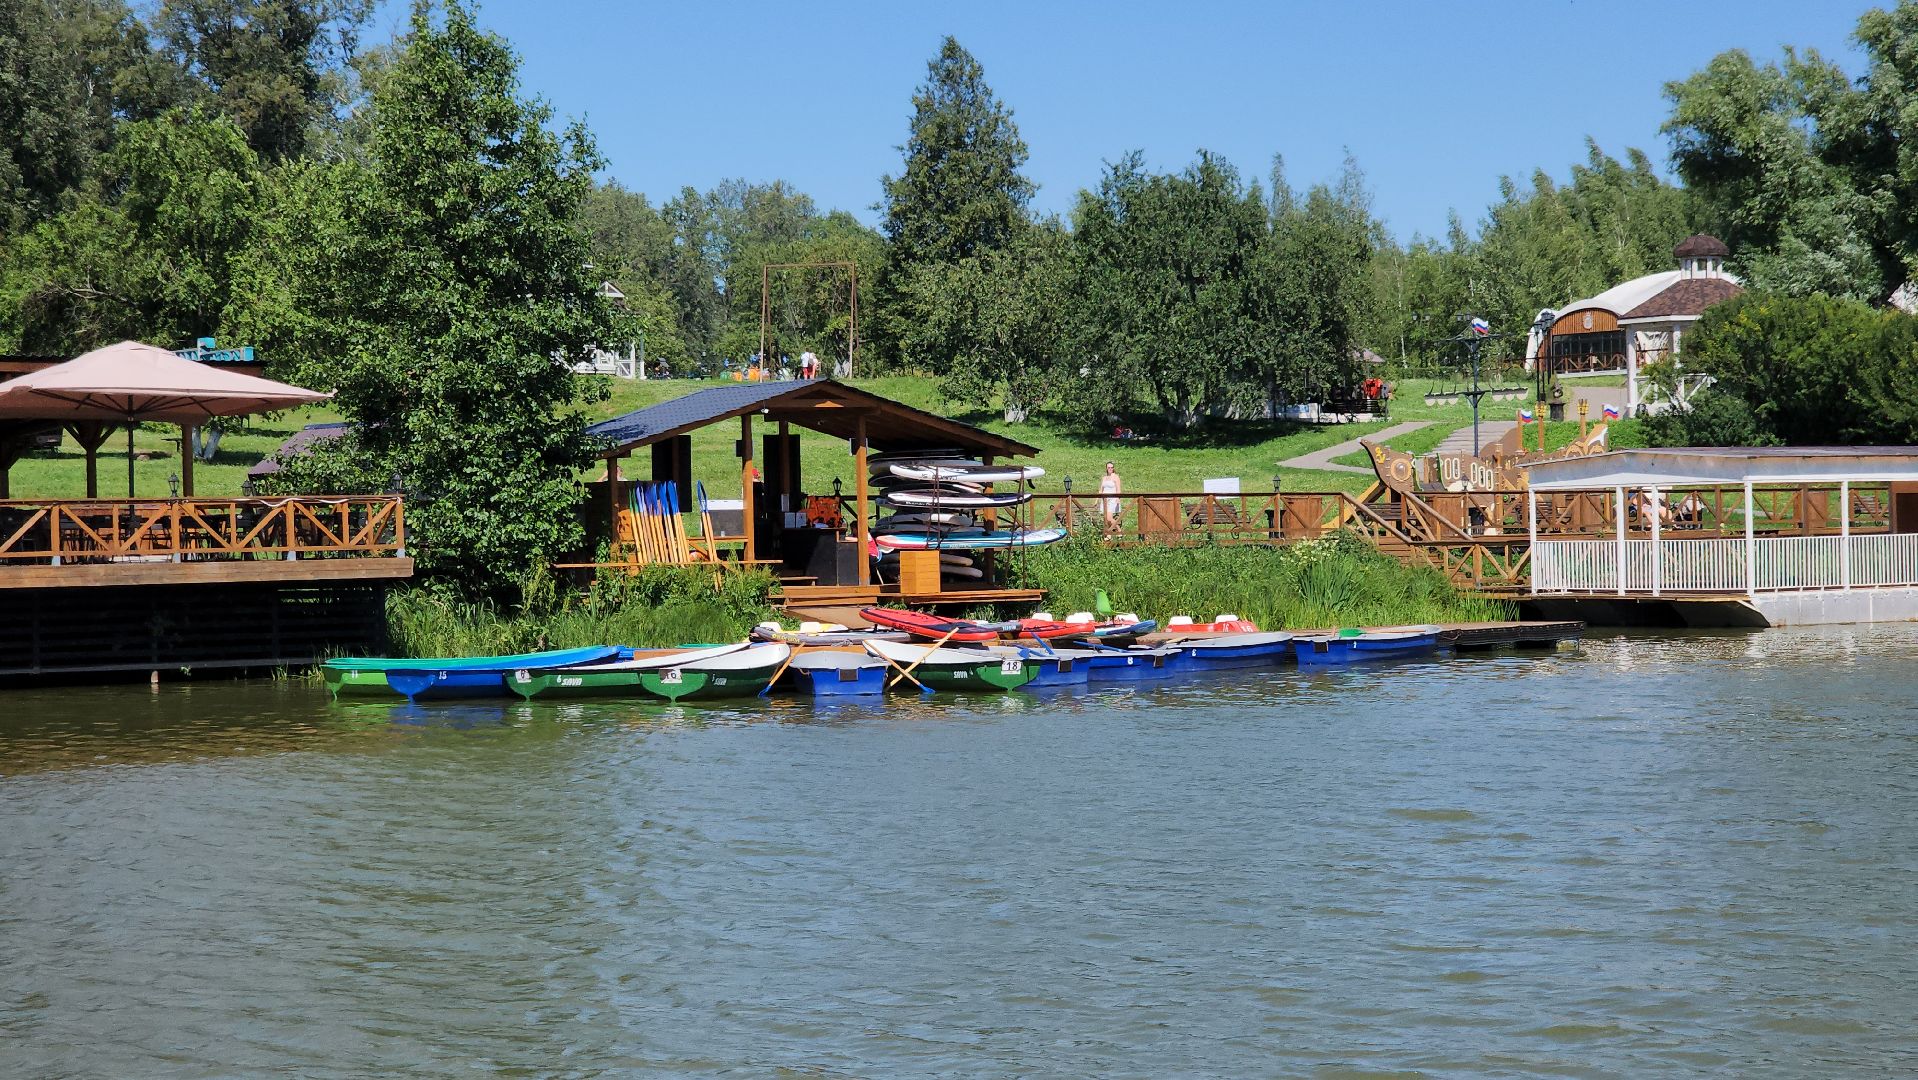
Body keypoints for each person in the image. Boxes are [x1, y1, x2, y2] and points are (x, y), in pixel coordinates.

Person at [1099, 461, 1122, 535]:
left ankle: (1119, 530)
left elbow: (1118, 489)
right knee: (1106, 519)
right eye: (1109, 467)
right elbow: (1101, 490)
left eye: (1112, 467)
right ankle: (1109, 534)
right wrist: (1096, 500)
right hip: (1104, 500)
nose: (1110, 469)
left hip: (1112, 499)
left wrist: (1118, 498)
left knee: (1109, 518)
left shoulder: (1115, 477)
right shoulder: (1104, 478)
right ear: (1106, 468)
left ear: (1113, 468)